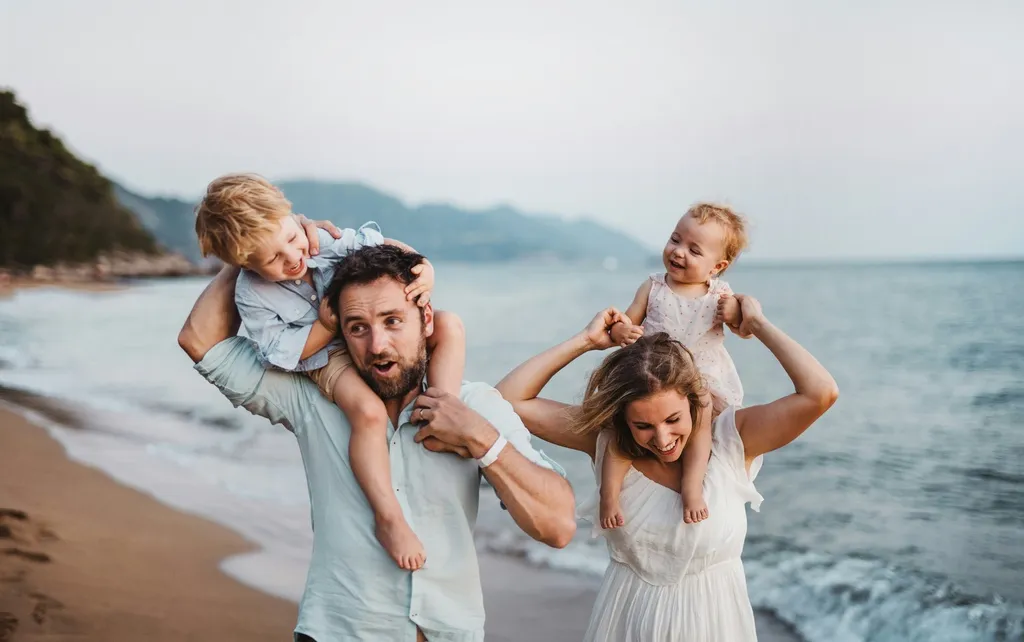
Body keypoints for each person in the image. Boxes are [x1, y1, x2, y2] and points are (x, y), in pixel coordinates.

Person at [178, 219, 576, 642]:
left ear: (426, 318)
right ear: (340, 334)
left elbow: (557, 526)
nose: (377, 345)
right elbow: (199, 339)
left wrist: (482, 439)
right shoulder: (311, 399)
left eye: (392, 321)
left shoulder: (475, 407)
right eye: (357, 327)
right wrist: (259, 244)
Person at [496, 298, 838, 641]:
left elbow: (821, 393)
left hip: (715, 625)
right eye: (642, 425)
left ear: (694, 403)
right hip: (626, 624)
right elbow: (507, 400)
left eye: (673, 419)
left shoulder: (732, 440)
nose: (662, 439)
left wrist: (758, 325)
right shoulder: (607, 441)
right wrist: (586, 341)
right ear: (622, 419)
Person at [194, 173, 466, 570]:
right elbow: (281, 355)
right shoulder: (251, 294)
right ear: (244, 265)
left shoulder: (320, 239)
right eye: (272, 259)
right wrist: (324, 326)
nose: (292, 257)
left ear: (294, 218)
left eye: (290, 238)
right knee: (369, 414)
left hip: (364, 332)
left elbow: (381, 245)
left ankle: (443, 412)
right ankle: (388, 516)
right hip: (323, 357)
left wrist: (424, 267)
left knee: (451, 326)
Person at [602, 203, 749, 526]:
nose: (679, 252)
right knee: (617, 426)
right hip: (653, 375)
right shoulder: (652, 286)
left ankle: (691, 486)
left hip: (701, 379)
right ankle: (609, 495)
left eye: (694, 250)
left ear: (717, 266)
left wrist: (735, 312)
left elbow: (743, 326)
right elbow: (623, 322)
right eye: (675, 240)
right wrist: (622, 329)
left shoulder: (720, 295)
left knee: (702, 412)